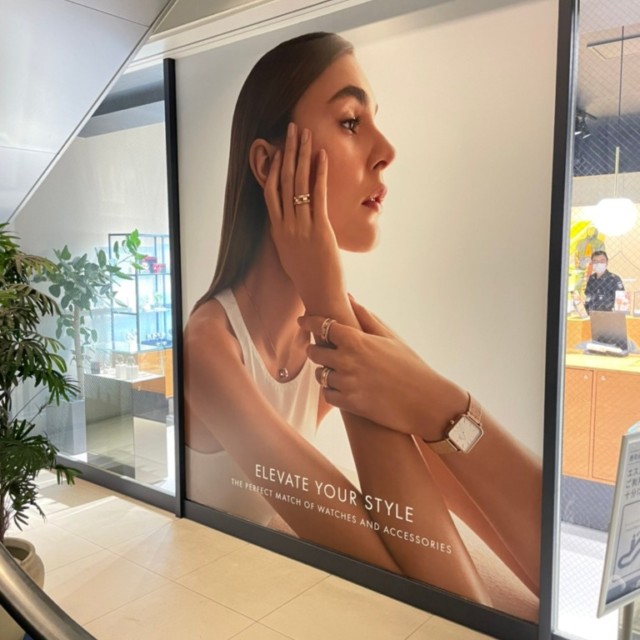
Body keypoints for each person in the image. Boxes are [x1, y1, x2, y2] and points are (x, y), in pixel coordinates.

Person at [184, 32, 541, 617]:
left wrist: (333, 308)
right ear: (269, 165)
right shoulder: (208, 345)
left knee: (524, 611)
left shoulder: (337, 324)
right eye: (351, 121)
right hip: (218, 609)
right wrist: (326, 299)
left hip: (273, 584)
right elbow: (417, 591)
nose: (387, 150)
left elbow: (515, 548)